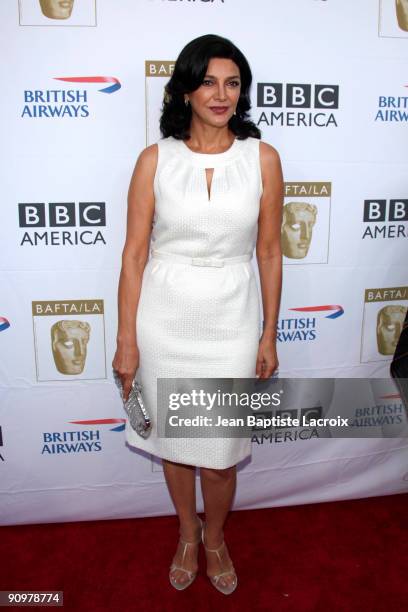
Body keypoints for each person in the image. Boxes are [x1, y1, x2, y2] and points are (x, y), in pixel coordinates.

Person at [112, 33, 283, 595]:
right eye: (208, 81)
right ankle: (188, 533)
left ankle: (216, 538)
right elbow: (134, 254)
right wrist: (127, 341)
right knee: (177, 447)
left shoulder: (262, 158)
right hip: (165, 319)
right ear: (185, 88)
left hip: (232, 318)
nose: (221, 94)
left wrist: (269, 333)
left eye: (232, 83)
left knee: (219, 456)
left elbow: (269, 251)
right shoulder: (154, 160)